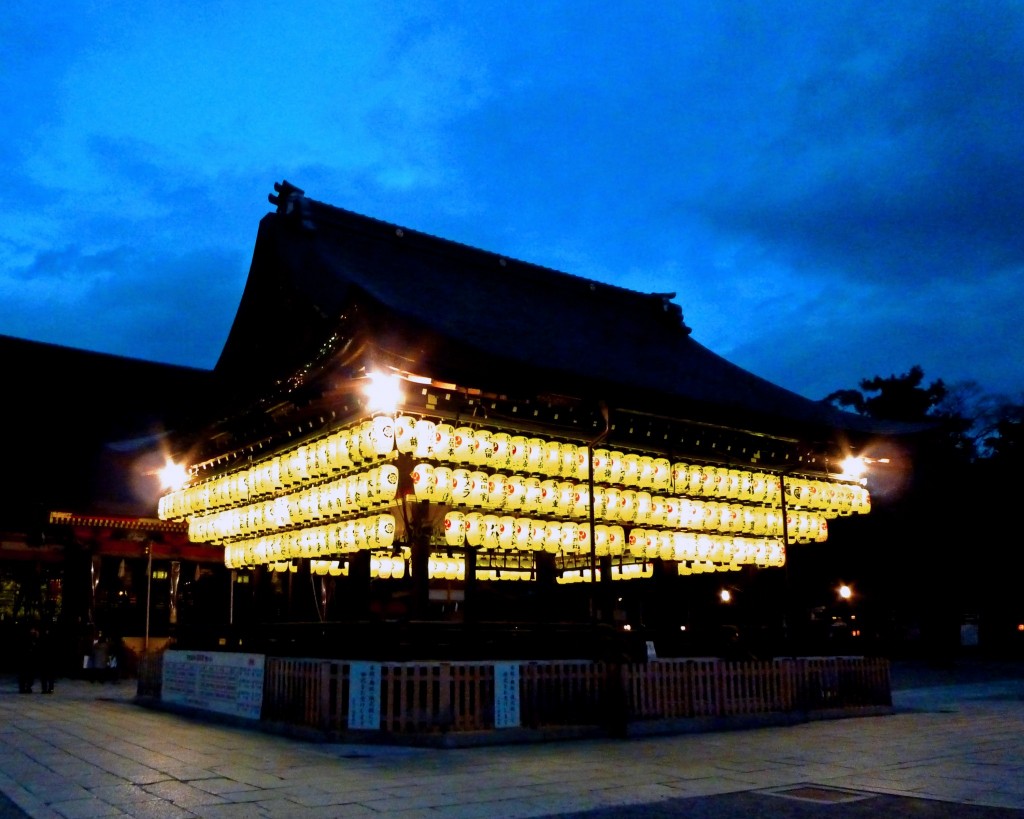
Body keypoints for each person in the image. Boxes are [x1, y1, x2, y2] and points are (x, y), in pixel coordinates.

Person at [16, 622, 40, 694]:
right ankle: (24, 687)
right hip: (25, 658)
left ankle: (27, 687)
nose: (32, 631)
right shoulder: (27, 637)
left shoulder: (34, 637)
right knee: (25, 674)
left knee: (29, 674)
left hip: (30, 658)